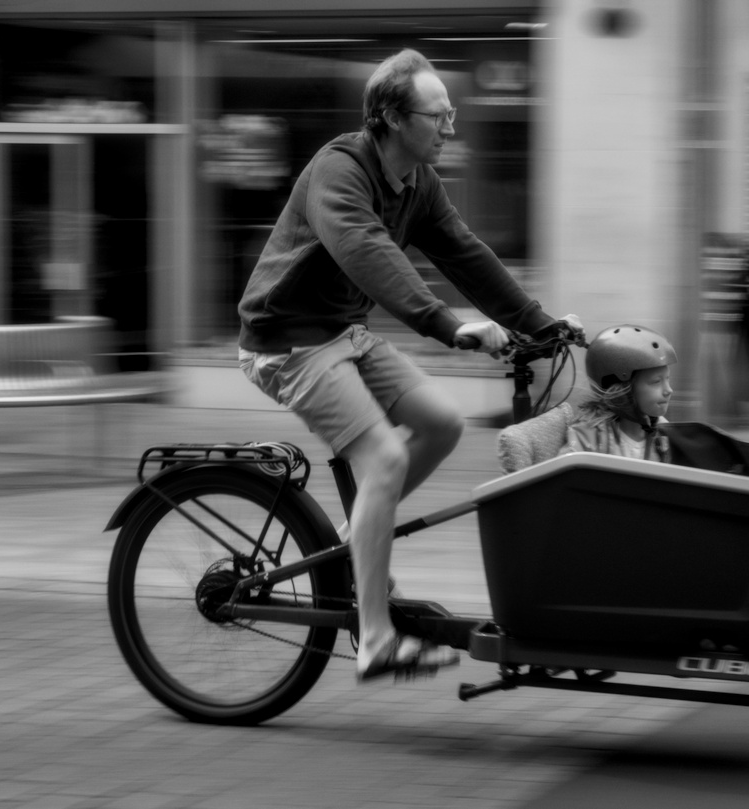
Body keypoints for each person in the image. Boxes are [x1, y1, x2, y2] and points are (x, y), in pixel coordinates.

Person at [237, 49, 581, 682]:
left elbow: (464, 253)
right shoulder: (339, 170)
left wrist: (541, 324)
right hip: (288, 342)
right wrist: (446, 323)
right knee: (386, 459)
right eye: (437, 115)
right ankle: (374, 638)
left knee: (442, 423)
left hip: (344, 334)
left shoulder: (419, 183)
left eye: (452, 113)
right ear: (393, 118)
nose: (450, 126)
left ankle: (354, 542)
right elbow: (364, 249)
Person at [557, 325, 675, 462]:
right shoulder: (588, 438)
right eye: (656, 382)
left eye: (667, 379)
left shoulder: (665, 436)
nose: (669, 390)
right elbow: (568, 471)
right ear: (622, 389)